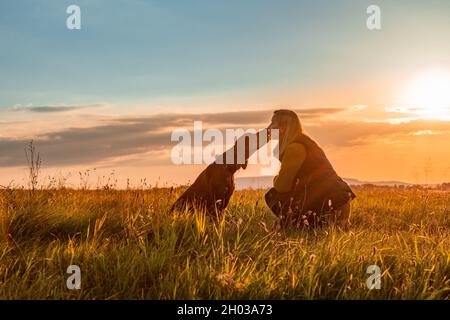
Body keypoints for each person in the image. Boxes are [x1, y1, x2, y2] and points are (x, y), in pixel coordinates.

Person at [265, 109, 356, 229]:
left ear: (282, 128)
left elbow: (282, 186)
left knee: (273, 195)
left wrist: (276, 179)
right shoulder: (304, 142)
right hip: (338, 201)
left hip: (329, 205)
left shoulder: (294, 148)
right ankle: (297, 227)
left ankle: (297, 227)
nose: (268, 127)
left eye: (272, 123)